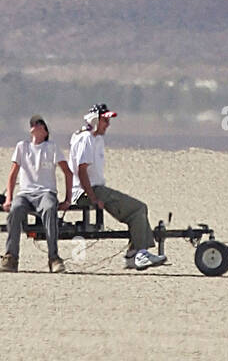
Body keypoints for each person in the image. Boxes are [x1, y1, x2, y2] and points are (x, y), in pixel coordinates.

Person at [68, 103, 167, 270]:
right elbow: (81, 170)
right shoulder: (86, 139)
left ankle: (134, 253)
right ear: (95, 120)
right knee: (137, 208)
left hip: (94, 189)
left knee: (138, 210)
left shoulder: (95, 139)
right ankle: (139, 254)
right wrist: (92, 197)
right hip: (88, 191)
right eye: (105, 121)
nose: (108, 125)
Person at [0, 114, 72, 273]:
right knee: (15, 210)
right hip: (25, 193)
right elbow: (12, 174)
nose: (36, 125)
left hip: (46, 192)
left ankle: (54, 257)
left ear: (46, 131)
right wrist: (9, 198)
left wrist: (68, 199)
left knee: (49, 209)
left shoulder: (51, 147)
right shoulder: (22, 146)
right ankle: (11, 258)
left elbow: (68, 172)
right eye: (34, 123)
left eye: (40, 124)